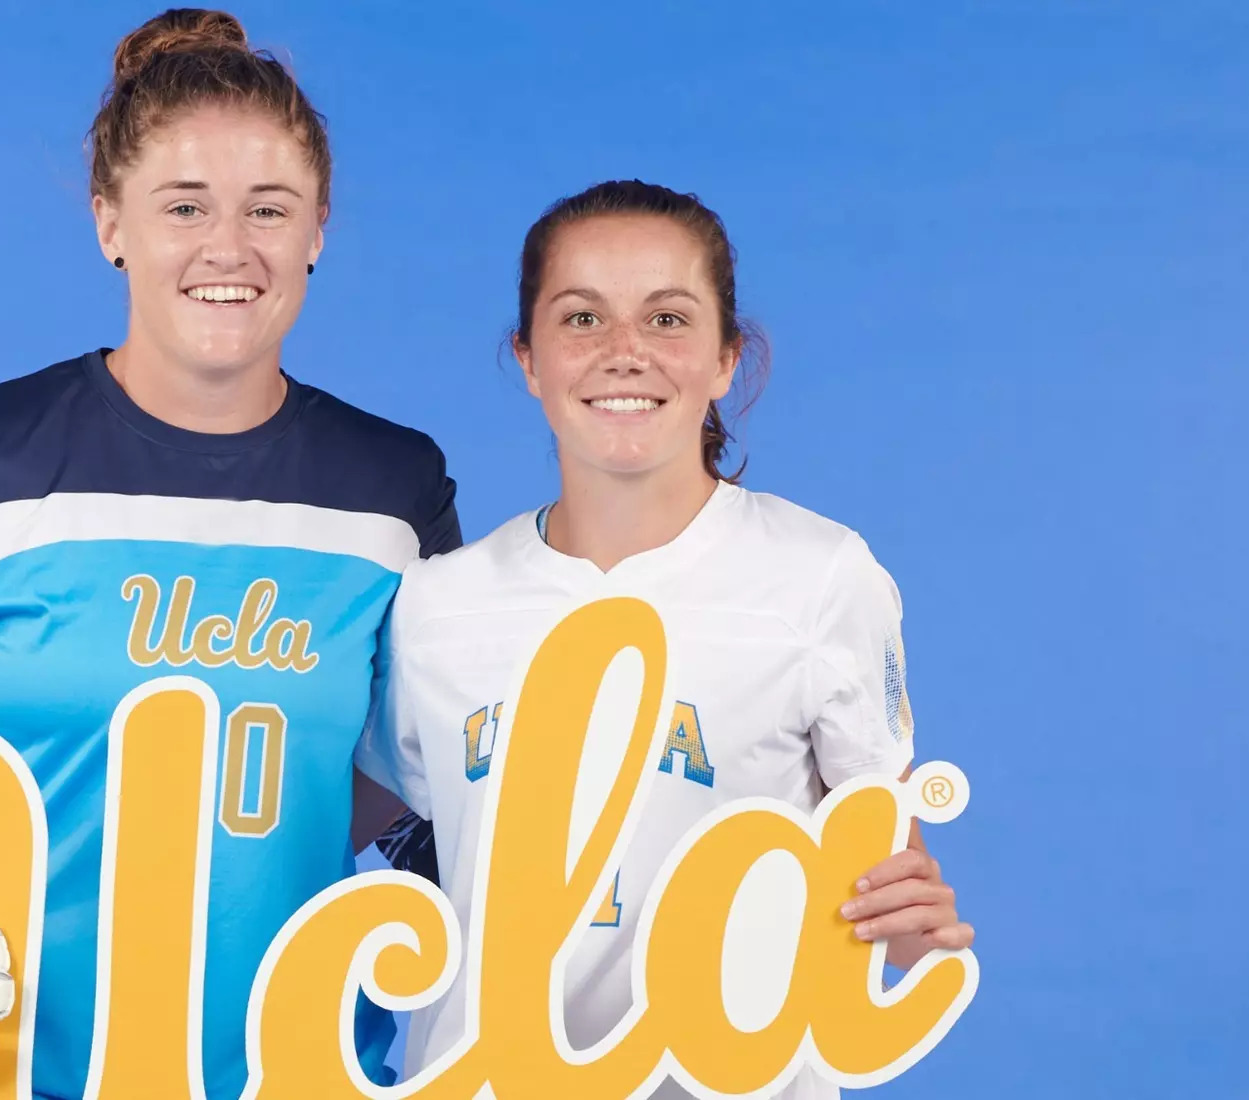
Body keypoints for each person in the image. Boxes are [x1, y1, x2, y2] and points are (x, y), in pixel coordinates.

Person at [0, 10, 457, 1100]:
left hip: (316, 1079)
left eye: (268, 209)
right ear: (109, 222)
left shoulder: (393, 494)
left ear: (319, 227)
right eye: (184, 206)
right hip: (23, 1079)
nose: (228, 248)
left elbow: (427, 802)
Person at [354, 180, 974, 1098]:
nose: (625, 352)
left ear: (728, 357)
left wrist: (917, 922)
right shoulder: (438, 608)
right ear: (528, 358)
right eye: (581, 318)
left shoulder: (818, 577)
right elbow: (321, 833)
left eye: (669, 319)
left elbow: (881, 875)